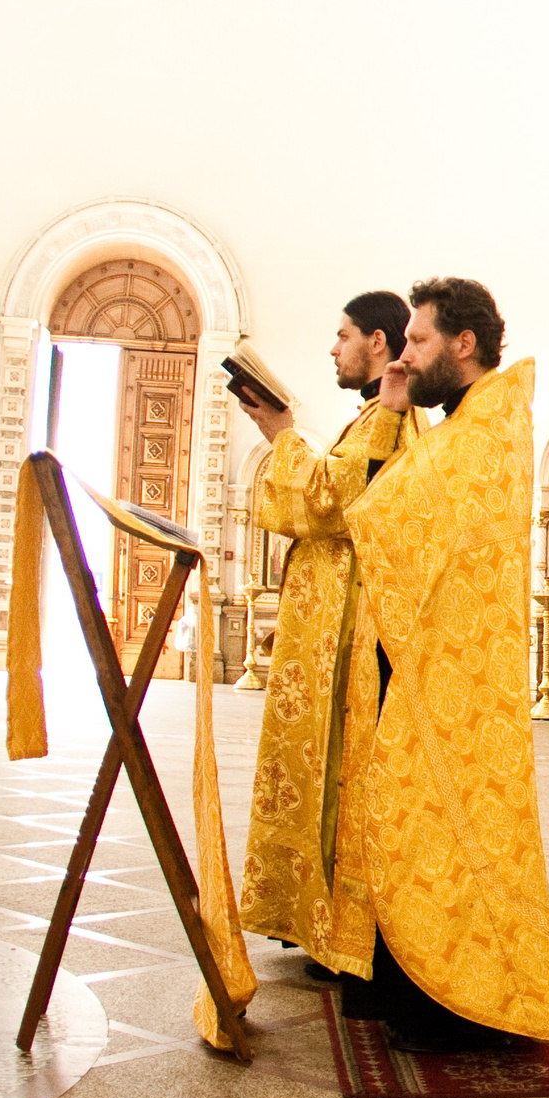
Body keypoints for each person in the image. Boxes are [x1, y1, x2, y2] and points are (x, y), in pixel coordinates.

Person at [344, 277, 549, 1051]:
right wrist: (399, 413)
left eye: (416, 340)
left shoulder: (483, 430)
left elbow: (379, 511)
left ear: (462, 343)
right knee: (418, 823)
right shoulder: (469, 422)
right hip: (438, 660)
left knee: (441, 828)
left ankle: (458, 998)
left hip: (453, 668)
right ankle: (430, 985)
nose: (403, 355)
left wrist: (391, 418)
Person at [234, 291, 420, 984]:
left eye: (341, 336)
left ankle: (347, 928)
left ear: (377, 340)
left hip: (351, 639)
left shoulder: (391, 421)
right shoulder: (374, 418)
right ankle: (320, 919)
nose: (332, 349)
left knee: (343, 780)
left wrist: (283, 431)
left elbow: (327, 502)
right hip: (328, 636)